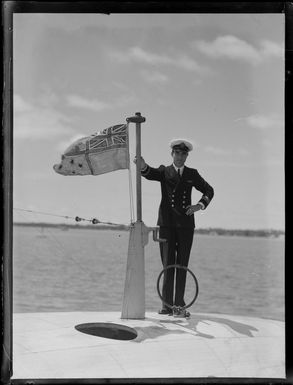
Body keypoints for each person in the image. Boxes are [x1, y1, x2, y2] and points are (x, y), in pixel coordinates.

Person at [134, 139, 214, 317]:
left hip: (186, 225)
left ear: (187, 156)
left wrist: (198, 206)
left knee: (182, 265)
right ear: (172, 154)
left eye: (183, 154)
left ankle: (179, 306)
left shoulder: (192, 174)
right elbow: (150, 173)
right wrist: (142, 165)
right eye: (177, 153)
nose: (180, 156)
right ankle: (166, 306)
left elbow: (209, 190)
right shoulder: (165, 171)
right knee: (168, 264)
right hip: (167, 225)